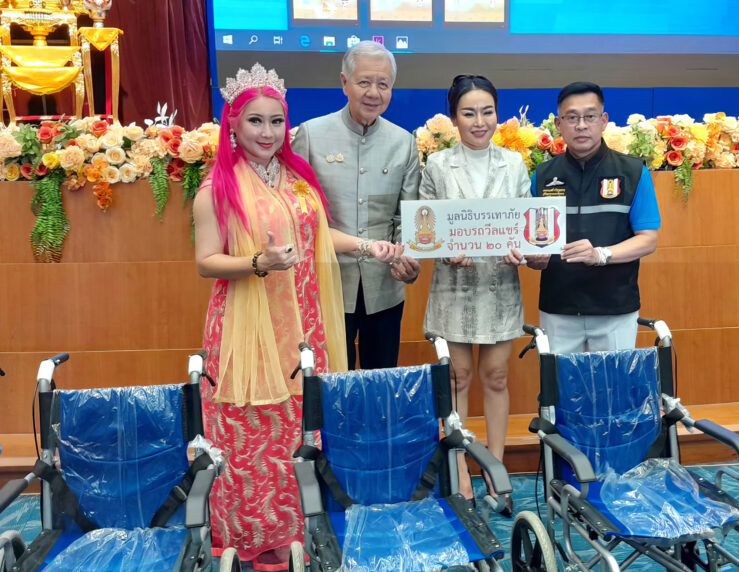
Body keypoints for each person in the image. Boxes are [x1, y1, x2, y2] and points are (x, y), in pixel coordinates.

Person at [192, 64, 397, 570]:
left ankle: (300, 529)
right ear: (232, 125)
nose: (268, 132)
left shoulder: (296, 177)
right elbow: (206, 261)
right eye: (255, 121)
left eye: (277, 121)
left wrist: (370, 247)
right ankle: (255, 537)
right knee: (254, 428)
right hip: (249, 326)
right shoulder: (218, 187)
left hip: (303, 323)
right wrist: (258, 263)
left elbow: (320, 235)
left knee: (299, 426)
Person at [421, 74, 530, 516]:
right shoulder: (437, 165)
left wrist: (523, 247)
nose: (479, 121)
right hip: (454, 288)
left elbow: (528, 222)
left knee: (497, 377)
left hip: (500, 285)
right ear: (454, 118)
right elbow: (424, 228)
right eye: (469, 113)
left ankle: (496, 470)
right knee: (458, 378)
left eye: (487, 111)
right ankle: (461, 472)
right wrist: (444, 249)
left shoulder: (514, 164)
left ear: (497, 114)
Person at [293, 40, 421, 370]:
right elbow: (298, 216)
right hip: (328, 283)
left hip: (384, 286)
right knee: (331, 381)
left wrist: (408, 258)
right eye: (364, 82)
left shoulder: (404, 143)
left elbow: (405, 216)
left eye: (383, 84)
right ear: (344, 82)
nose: (373, 93)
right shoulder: (311, 135)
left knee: (382, 380)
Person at [507, 81, 661, 353]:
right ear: (558, 124)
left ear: (603, 120)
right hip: (559, 307)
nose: (581, 125)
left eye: (590, 116)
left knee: (613, 381)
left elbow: (648, 239)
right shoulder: (542, 176)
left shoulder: (633, 172)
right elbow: (531, 243)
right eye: (572, 118)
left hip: (615, 308)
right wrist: (533, 258)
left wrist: (600, 254)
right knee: (561, 381)